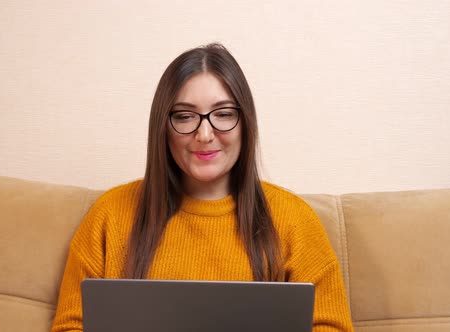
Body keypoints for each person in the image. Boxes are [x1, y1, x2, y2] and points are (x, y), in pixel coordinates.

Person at [51, 43, 354, 331]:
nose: (205, 134)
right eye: (184, 116)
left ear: (245, 123)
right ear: (163, 127)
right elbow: (70, 326)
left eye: (223, 114)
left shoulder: (294, 220)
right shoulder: (110, 214)